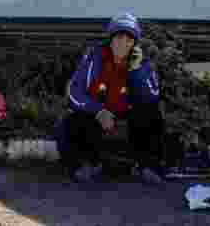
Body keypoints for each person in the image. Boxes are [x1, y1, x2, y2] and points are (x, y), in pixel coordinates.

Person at [55, 13, 165, 185]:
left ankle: (146, 166)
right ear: (111, 39)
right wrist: (98, 111)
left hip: (128, 111)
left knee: (151, 114)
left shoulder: (141, 62)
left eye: (129, 39)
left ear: (134, 43)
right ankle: (88, 163)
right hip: (98, 109)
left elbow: (152, 96)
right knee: (73, 119)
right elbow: (74, 92)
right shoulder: (93, 58)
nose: (123, 42)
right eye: (119, 37)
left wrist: (136, 71)